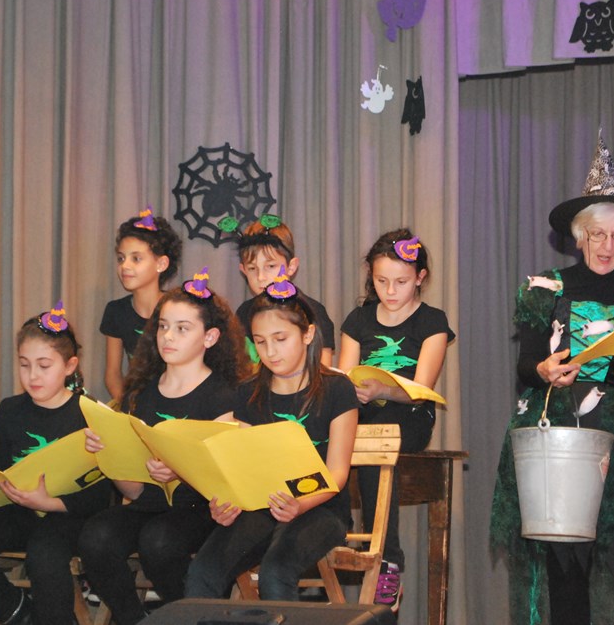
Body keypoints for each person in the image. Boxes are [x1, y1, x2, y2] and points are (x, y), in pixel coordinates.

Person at [490, 135, 614, 625]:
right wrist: (543, 370)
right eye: (598, 235)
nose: (608, 246)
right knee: (568, 570)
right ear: (580, 236)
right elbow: (527, 365)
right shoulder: (545, 288)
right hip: (565, 443)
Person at [79, 268, 248, 624]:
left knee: (159, 541)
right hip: (149, 505)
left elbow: (229, 479)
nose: (168, 336)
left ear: (210, 337)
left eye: (182, 328)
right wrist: (108, 453)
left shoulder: (224, 396)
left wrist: (180, 470)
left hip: (201, 510)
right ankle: (135, 619)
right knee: (96, 536)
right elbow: (134, 490)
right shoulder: (141, 394)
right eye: (163, 326)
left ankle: (193, 617)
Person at [185, 270, 359, 601]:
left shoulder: (337, 389)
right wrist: (225, 502)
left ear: (308, 334)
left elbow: (337, 473)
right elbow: (243, 467)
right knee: (204, 570)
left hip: (320, 508)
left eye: (281, 339)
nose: (270, 352)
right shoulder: (248, 392)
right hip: (261, 505)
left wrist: (299, 505)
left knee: (276, 571)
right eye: (261, 342)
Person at [0, 303, 111, 625]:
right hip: (19, 511)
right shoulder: (10, 410)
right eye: (24, 364)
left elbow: (101, 496)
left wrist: (50, 503)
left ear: (69, 366)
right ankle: (21, 613)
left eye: (44, 366)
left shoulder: (88, 413)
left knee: (44, 553)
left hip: (69, 516)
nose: (33, 376)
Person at [337, 228, 455, 613]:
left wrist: (383, 390)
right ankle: (334, 531)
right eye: (381, 281)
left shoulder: (432, 321)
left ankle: (388, 560)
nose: (390, 291)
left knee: (376, 442)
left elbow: (422, 389)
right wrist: (353, 389)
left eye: (400, 282)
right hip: (363, 411)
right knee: (331, 431)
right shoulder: (358, 319)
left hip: (409, 415)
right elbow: (343, 376)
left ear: (420, 277)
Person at [101, 205, 183, 401]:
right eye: (121, 258)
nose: (125, 266)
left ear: (161, 264)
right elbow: (112, 374)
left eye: (136, 259)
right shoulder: (116, 311)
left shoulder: (180, 309)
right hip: (135, 404)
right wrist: (128, 408)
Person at [234, 214, 335, 367]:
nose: (261, 277)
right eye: (252, 268)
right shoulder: (243, 312)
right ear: (243, 270)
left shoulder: (313, 311)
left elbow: (323, 370)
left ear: (291, 267)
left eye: (270, 266)